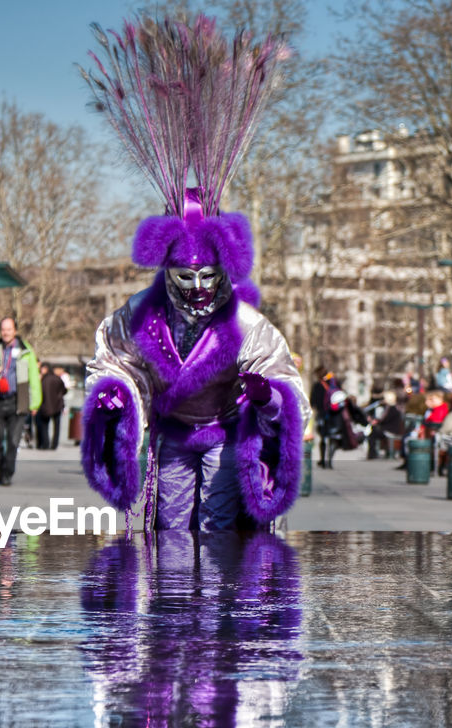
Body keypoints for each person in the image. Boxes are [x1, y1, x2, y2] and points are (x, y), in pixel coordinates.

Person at [79, 18, 309, 530]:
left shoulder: (245, 324)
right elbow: (115, 363)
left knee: (218, 524)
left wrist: (267, 396)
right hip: (173, 435)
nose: (200, 289)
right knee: (169, 526)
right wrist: (116, 391)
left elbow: (281, 375)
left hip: (225, 434)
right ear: (167, 270)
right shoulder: (137, 317)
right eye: (186, 278)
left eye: (209, 276)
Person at [0, 317, 41, 485]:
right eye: (3, 329)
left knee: (13, 441)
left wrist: (35, 403)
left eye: (9, 329)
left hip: (17, 401)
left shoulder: (26, 351)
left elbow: (34, 379)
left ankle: (7, 473)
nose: (6, 332)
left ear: (15, 331)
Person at [35, 362, 67, 450]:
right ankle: (54, 445)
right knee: (57, 427)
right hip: (57, 405)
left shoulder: (43, 380)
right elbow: (64, 390)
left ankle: (45, 444)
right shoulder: (57, 379)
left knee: (44, 426)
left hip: (45, 406)